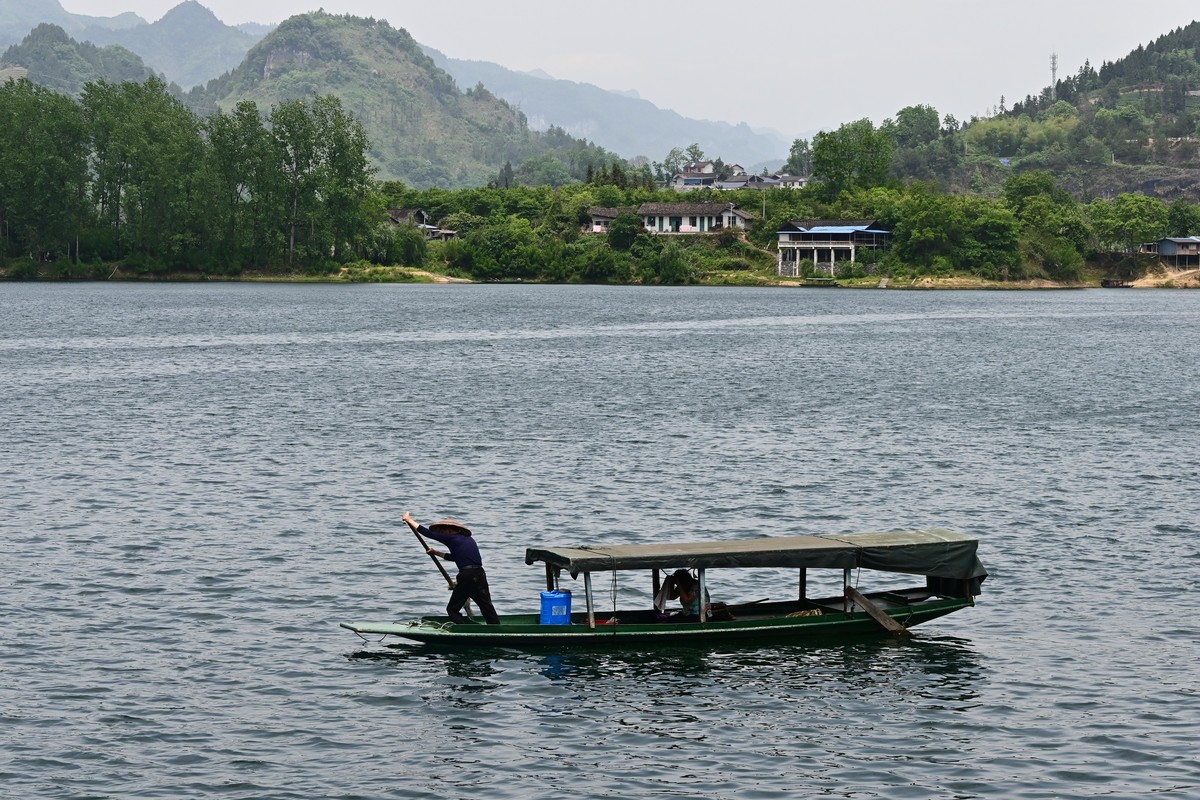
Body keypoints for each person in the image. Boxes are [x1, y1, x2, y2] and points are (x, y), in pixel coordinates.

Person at [402, 512, 500, 625]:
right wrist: (436, 553)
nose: (442, 533)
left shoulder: (451, 538)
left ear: (451, 530)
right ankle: (495, 627)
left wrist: (409, 520)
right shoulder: (468, 540)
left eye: (443, 530)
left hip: (467, 575)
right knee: (486, 606)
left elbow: (428, 533)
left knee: (452, 609)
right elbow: (455, 557)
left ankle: (464, 629)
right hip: (479, 574)